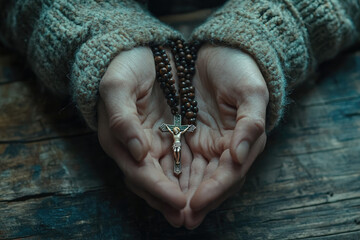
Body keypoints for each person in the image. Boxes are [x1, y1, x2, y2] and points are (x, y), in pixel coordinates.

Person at [0, 0, 359, 229]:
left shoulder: (179, 125)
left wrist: (269, 28)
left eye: (179, 128)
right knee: (174, 152)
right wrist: (102, 35)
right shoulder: (175, 129)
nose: (178, 132)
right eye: (178, 129)